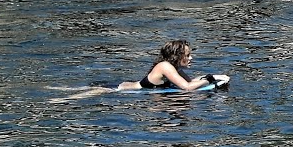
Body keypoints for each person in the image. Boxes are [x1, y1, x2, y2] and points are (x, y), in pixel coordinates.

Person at [63, 38, 225, 98]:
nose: (191, 58)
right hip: (117, 89)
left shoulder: (173, 68)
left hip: (124, 85)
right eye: (188, 55)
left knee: (71, 90)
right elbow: (187, 88)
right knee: (75, 96)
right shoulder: (165, 66)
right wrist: (209, 79)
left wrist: (216, 76)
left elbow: (191, 82)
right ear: (177, 56)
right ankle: (55, 101)